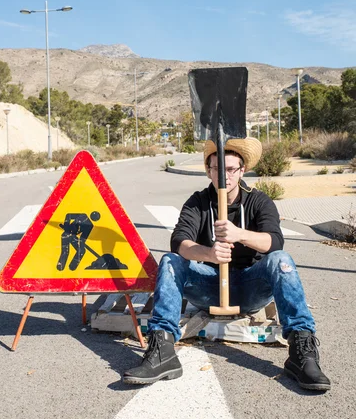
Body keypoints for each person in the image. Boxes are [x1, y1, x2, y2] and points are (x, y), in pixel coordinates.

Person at [123, 137, 331, 391]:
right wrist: (209, 254)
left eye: (231, 169)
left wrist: (239, 234)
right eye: (217, 169)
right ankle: (162, 350)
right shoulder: (198, 202)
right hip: (208, 286)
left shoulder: (258, 200)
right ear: (208, 170)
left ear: (242, 170)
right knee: (170, 261)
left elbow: (274, 242)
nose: (224, 175)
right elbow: (178, 242)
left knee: (281, 261)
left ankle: (301, 352)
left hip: (249, 287)